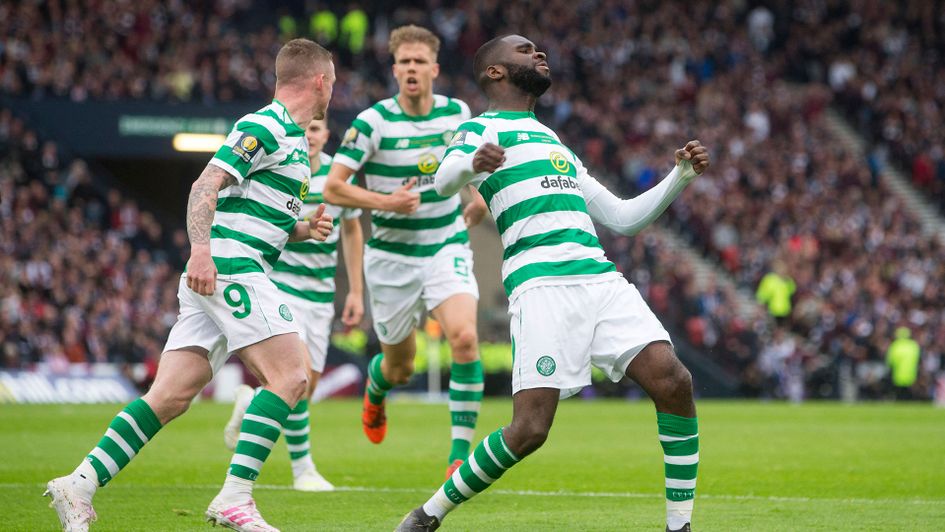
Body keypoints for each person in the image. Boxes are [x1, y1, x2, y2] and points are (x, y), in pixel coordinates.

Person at [396, 35, 709, 532]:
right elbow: (444, 179)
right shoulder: (477, 129)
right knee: (529, 431)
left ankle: (679, 526)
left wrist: (680, 177)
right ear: (495, 72)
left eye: (538, 49)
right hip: (540, 285)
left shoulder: (551, 140)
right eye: (524, 50)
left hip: (599, 278)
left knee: (675, 381)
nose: (538, 54)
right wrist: (471, 164)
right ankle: (428, 514)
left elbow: (622, 218)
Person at [43, 38, 336, 532]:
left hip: (221, 275)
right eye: (334, 81)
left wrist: (304, 229)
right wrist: (201, 250)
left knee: (169, 398)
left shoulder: (293, 142)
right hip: (231, 270)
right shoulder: (265, 125)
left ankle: (80, 483)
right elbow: (205, 186)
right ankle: (234, 498)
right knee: (290, 378)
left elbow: (253, 212)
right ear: (319, 80)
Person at [323, 24, 489, 479]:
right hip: (391, 258)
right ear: (395, 70)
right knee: (400, 368)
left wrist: (476, 197)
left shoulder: (458, 114)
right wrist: (386, 202)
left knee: (465, 338)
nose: (412, 69)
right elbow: (335, 189)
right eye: (404, 62)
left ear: (434, 68)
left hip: (445, 244)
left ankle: (459, 456)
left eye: (420, 61)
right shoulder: (372, 123)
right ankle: (376, 392)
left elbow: (467, 168)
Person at [222, 116, 365, 492]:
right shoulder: (284, 170)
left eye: (317, 130)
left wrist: (354, 290)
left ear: (327, 134)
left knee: (305, 387)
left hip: (321, 298)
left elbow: (352, 230)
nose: (311, 136)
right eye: (306, 130)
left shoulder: (337, 179)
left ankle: (253, 402)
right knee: (295, 373)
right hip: (281, 285)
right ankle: (303, 470)